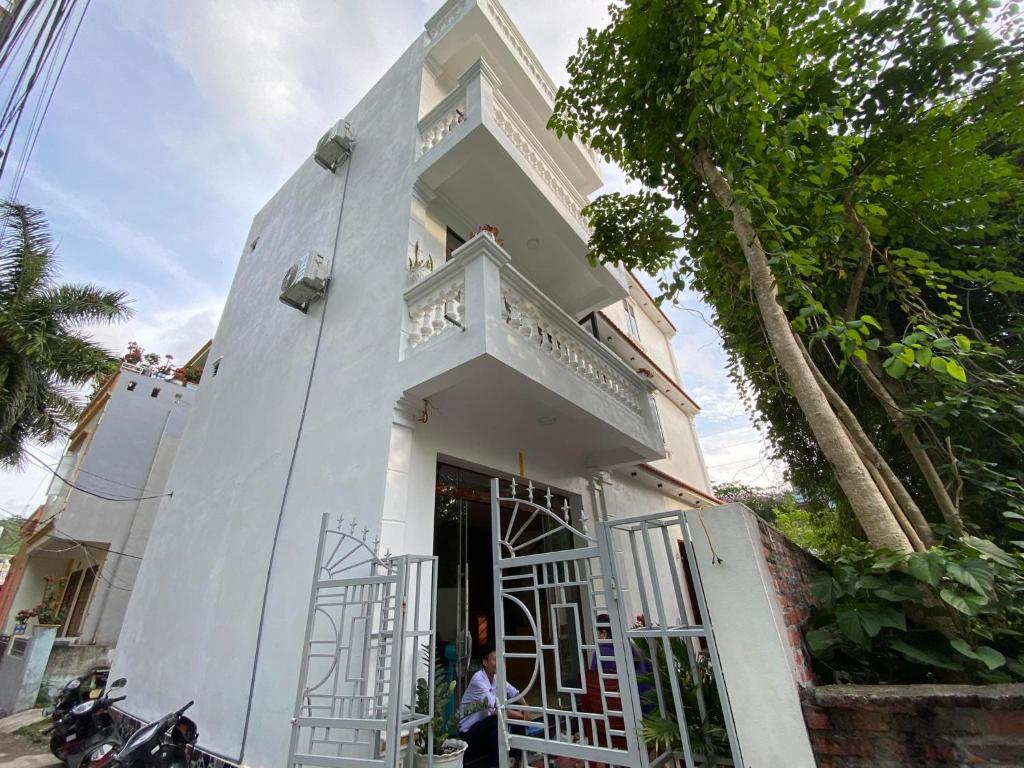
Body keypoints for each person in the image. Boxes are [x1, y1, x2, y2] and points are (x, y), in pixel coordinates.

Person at [459, 645, 529, 767]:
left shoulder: (496, 677)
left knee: (508, 716)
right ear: (485, 662)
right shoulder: (478, 679)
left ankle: (517, 758)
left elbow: (513, 692)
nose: (498, 663)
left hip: (485, 727)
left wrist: (526, 708)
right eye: (494, 659)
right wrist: (520, 716)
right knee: (499, 721)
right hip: (469, 734)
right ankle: (496, 764)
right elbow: (496, 709)